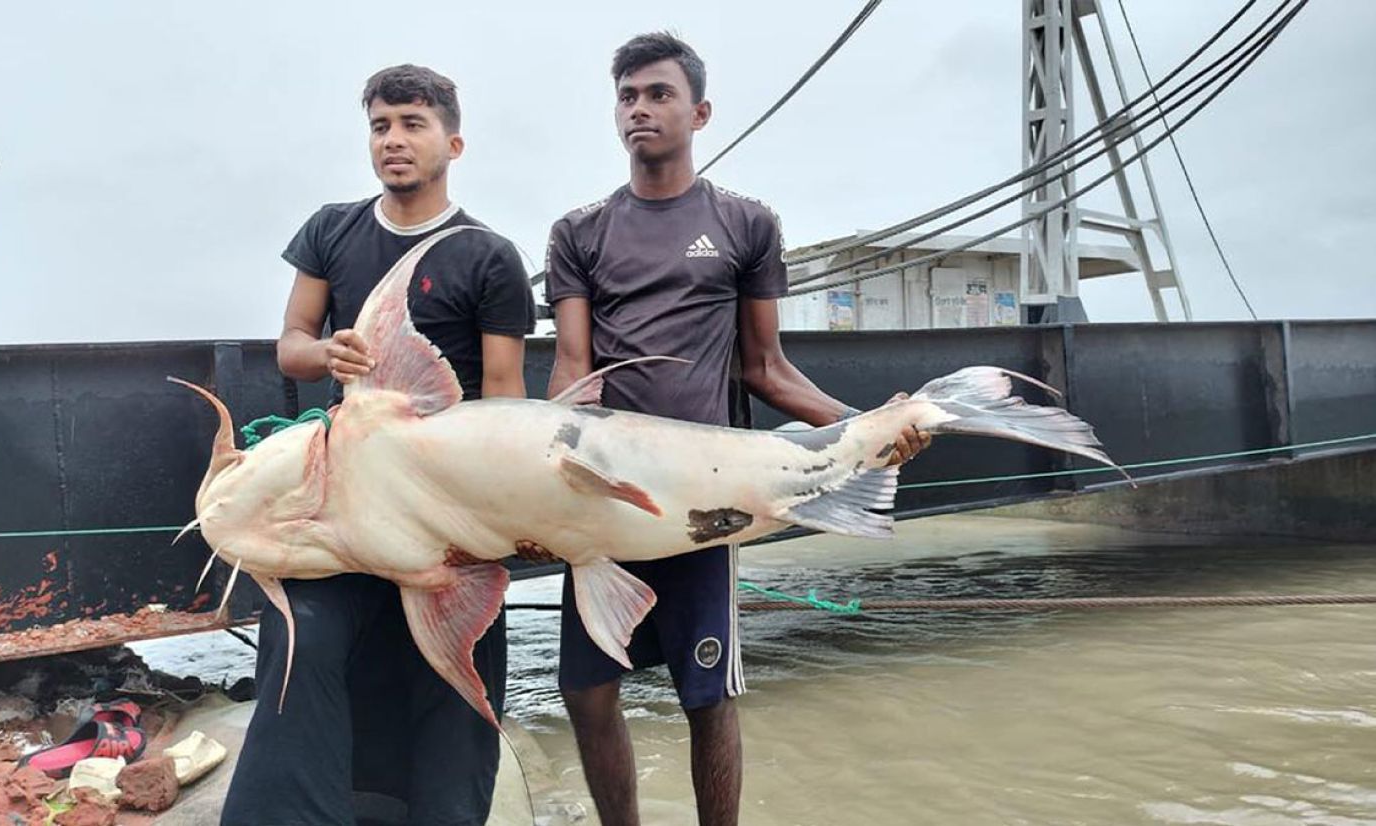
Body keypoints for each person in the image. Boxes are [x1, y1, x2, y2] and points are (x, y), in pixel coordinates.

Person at [543, 32, 930, 826]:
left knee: (707, 691)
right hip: (607, 487)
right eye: (627, 96)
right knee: (585, 690)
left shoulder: (745, 224)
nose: (639, 110)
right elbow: (571, 373)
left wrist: (866, 428)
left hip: (706, 498)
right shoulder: (577, 233)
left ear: (700, 110)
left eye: (658, 94)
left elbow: (767, 368)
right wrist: (544, 475)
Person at [220, 64, 536, 826]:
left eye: (412, 124)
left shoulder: (490, 255)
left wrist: (508, 511)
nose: (394, 140)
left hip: (446, 498)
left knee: (451, 665)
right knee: (304, 635)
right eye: (381, 125)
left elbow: (504, 394)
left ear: (452, 142)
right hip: (347, 492)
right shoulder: (331, 229)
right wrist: (326, 354)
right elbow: (291, 343)